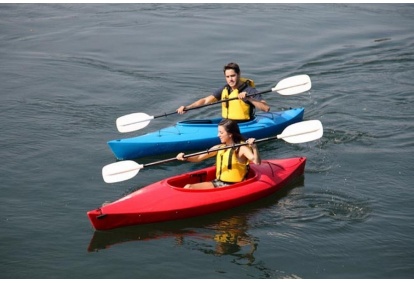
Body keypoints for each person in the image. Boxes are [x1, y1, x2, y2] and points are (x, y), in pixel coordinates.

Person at [176, 119, 261, 189]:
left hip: (232, 186)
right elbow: (198, 157)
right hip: (218, 182)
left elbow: (257, 162)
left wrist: (254, 147)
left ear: (230, 134)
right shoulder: (219, 147)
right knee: (188, 187)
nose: (218, 135)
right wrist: (185, 157)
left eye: (221, 132)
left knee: (188, 188)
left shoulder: (241, 148)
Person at [177, 62, 270, 122]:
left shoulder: (249, 90)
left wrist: (249, 98)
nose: (230, 79)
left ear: (239, 74)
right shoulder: (225, 89)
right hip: (227, 124)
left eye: (233, 76)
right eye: (227, 77)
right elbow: (205, 101)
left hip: (244, 125)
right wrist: (187, 107)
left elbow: (266, 108)